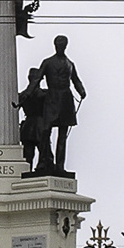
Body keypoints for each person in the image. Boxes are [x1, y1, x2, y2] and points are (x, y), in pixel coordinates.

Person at [36, 36, 86, 173]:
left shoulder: (70, 64)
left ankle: (60, 166)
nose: (60, 47)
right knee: (46, 131)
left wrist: (81, 91)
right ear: (54, 45)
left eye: (62, 45)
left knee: (63, 135)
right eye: (58, 44)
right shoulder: (47, 62)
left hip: (66, 99)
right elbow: (37, 79)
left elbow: (76, 80)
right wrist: (27, 94)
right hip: (52, 98)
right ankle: (42, 162)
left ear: (66, 46)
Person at [14, 68, 51, 172]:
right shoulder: (45, 94)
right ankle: (42, 169)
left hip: (27, 127)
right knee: (44, 153)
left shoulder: (22, 95)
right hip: (40, 126)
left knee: (28, 155)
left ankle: (28, 172)